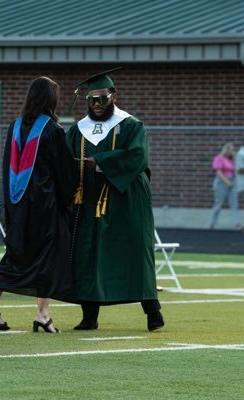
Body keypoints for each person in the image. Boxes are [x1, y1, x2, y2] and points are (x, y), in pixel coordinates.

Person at [65, 68, 164, 331]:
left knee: (135, 252)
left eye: (102, 99)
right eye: (92, 100)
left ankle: (152, 312)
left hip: (126, 198)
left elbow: (137, 157)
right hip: (88, 199)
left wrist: (99, 162)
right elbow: (65, 161)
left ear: (114, 96)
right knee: (89, 254)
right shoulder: (77, 131)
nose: (97, 105)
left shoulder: (131, 126)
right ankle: (89, 316)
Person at [0, 77, 77, 333]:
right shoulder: (52, 130)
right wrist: (70, 197)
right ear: (50, 100)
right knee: (49, 255)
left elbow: (6, 167)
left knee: (16, 252)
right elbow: (64, 171)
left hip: (17, 203)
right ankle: (42, 314)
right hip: (45, 206)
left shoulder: (14, 127)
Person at [209, 143, 241, 229]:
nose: (233, 151)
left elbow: (236, 171)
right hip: (222, 182)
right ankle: (212, 223)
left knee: (234, 203)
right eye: (231, 149)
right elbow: (218, 171)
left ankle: (237, 223)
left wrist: (234, 159)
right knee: (218, 203)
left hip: (232, 181)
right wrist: (227, 182)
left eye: (233, 150)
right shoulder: (219, 158)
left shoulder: (232, 160)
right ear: (226, 150)